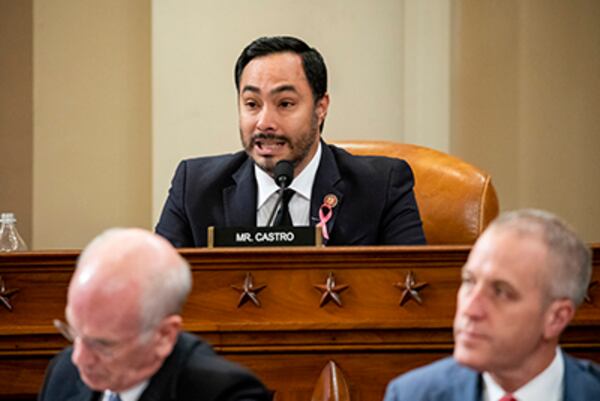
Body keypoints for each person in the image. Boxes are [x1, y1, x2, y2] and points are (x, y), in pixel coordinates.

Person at [155, 35, 425, 247]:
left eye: (285, 104)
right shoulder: (194, 188)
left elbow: (412, 294)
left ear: (321, 107)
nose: (264, 123)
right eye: (252, 104)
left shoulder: (381, 187)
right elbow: (157, 295)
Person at [383, 209, 600, 400]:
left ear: (557, 318)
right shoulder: (411, 395)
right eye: (469, 281)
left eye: (501, 292)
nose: (470, 309)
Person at [38, 228, 270, 401]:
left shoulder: (225, 395)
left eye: (103, 344)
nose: (80, 358)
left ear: (164, 335)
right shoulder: (63, 373)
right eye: (74, 333)